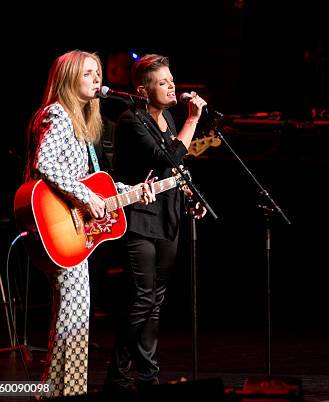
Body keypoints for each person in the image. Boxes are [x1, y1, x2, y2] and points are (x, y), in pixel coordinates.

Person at [25, 50, 155, 398]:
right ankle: (66, 392)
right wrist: (84, 198)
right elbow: (45, 165)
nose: (97, 79)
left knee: (74, 315)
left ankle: (57, 391)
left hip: (71, 229)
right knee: (73, 314)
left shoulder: (81, 123)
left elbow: (95, 184)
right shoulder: (57, 113)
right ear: (68, 78)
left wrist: (134, 191)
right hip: (57, 225)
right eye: (88, 73)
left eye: (98, 73)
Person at [105, 54, 207, 393]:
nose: (171, 85)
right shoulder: (131, 121)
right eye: (162, 82)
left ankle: (147, 376)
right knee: (142, 298)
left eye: (171, 79)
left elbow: (174, 171)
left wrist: (191, 198)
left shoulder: (167, 120)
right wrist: (192, 120)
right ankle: (118, 375)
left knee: (156, 301)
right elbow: (166, 158)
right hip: (138, 218)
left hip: (167, 216)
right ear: (142, 89)